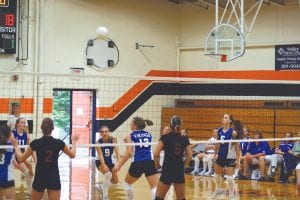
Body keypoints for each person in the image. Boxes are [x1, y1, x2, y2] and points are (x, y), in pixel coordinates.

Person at [10, 118, 79, 200]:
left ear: (41, 127)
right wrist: (74, 141)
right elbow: (72, 155)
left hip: (40, 177)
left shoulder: (36, 143)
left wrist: (15, 146)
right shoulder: (59, 143)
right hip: (53, 177)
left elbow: (21, 159)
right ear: (53, 128)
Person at [113, 117, 158, 200]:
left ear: (135, 126)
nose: (130, 125)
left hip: (137, 163)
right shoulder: (149, 134)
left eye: (131, 123)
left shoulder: (130, 136)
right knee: (154, 187)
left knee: (127, 183)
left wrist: (119, 165)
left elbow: (129, 153)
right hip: (149, 162)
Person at [154, 116, 192, 200]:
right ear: (181, 125)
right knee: (181, 198)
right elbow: (190, 156)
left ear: (170, 125)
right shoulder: (185, 138)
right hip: (179, 171)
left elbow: (156, 153)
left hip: (167, 170)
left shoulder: (165, 137)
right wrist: (184, 165)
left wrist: (157, 164)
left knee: (159, 198)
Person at [213, 113, 241, 200]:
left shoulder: (233, 132)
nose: (223, 119)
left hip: (230, 156)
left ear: (230, 121)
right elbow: (217, 143)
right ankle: (218, 190)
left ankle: (232, 195)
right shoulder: (219, 130)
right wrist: (215, 153)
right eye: (223, 117)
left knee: (229, 178)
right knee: (216, 175)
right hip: (221, 155)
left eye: (225, 118)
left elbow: (237, 147)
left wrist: (238, 159)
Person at [95, 126, 121, 200]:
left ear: (108, 132)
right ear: (100, 133)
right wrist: (104, 165)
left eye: (106, 131)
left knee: (115, 183)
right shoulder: (98, 142)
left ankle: (102, 187)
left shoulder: (113, 140)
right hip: (100, 161)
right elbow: (100, 155)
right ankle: (105, 196)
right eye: (102, 132)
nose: (104, 133)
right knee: (108, 174)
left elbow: (117, 152)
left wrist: (119, 164)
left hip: (110, 161)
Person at [13, 117, 34, 194]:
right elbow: (8, 148)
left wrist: (36, 159)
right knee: (28, 170)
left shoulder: (26, 135)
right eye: (22, 122)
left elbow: (30, 148)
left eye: (24, 123)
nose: (23, 124)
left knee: (28, 173)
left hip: (21, 157)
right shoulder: (13, 133)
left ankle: (30, 192)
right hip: (13, 157)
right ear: (17, 124)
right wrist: (13, 160)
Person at [0, 125, 15, 200]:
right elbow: (20, 159)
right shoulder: (11, 146)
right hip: (8, 178)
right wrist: (16, 145)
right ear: (9, 134)